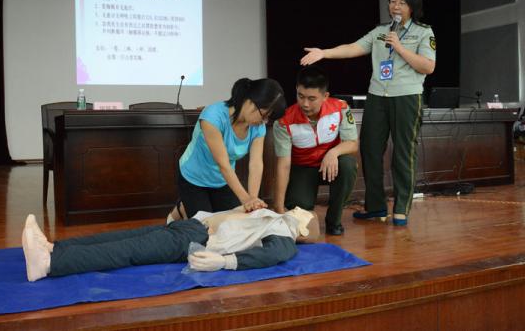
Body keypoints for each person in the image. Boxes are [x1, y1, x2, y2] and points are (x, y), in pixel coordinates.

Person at [300, 0, 436, 226]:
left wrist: (400, 48)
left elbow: (428, 66)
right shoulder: (380, 31)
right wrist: (325, 53)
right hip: (377, 96)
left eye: (401, 2)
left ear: (412, 6)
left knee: (404, 153)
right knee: (370, 151)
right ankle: (376, 207)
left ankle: (401, 209)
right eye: (392, 0)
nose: (394, 6)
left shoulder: (424, 32)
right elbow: (353, 47)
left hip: (406, 97)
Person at [21, 207, 320, 282]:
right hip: (191, 225)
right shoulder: (271, 217)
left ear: (303, 229)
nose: (295, 209)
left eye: (301, 212)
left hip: (194, 239)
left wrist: (227, 262)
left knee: (128, 251)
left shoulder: (284, 234)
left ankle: (48, 265)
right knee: (124, 238)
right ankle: (54, 248)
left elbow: (275, 256)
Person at [173, 78, 287, 219]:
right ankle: (182, 209)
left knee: (234, 221)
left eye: (268, 118)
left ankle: (191, 208)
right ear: (250, 102)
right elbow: (224, 164)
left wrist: (253, 199)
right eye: (264, 115)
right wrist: (245, 199)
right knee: (205, 229)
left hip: (222, 181)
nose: (264, 122)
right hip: (194, 178)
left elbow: (256, 163)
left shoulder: (258, 127)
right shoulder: (212, 117)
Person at [272, 65, 358, 236]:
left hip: (331, 165)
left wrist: (333, 153)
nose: (305, 103)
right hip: (302, 168)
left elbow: (353, 143)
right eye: (300, 96)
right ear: (296, 90)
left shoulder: (340, 108)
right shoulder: (283, 122)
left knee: (348, 164)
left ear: (325, 96)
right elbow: (283, 165)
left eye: (312, 98)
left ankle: (334, 220)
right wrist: (278, 207)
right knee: (298, 208)